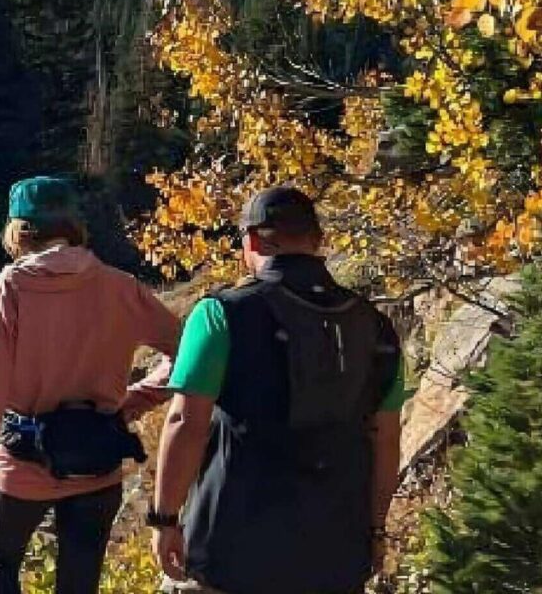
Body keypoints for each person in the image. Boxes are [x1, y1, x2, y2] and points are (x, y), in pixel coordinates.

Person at [148, 186, 405, 594]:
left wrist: (164, 519)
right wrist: (375, 530)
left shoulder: (220, 313)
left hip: (233, 549)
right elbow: (386, 438)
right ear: (317, 240)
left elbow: (185, 421)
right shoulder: (375, 326)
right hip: (335, 551)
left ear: (251, 240)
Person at [0, 176, 182, 594]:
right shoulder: (120, 286)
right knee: (80, 580)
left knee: (0, 564)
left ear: (18, 230)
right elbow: (188, 354)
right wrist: (134, 401)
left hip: (23, 461)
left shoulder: (8, 290)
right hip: (98, 461)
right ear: (74, 225)